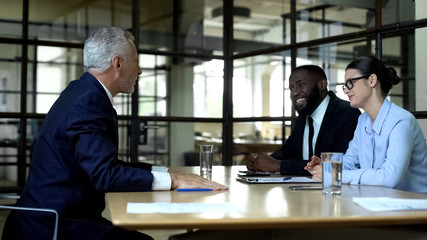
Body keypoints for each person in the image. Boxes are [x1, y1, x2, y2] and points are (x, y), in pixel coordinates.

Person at [2, 27, 227, 240]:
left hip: (49, 217)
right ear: (117, 63)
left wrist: (168, 172)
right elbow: (104, 174)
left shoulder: (81, 91)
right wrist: (174, 179)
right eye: (136, 61)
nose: (139, 70)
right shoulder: (89, 101)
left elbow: (105, 164)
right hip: (53, 225)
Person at [306, 56, 427, 193]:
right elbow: (350, 162)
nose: (346, 90)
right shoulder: (363, 120)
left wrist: (335, 175)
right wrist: (328, 167)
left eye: (350, 82)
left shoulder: (401, 121)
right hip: (378, 199)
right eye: (345, 85)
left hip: (413, 204)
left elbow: (389, 177)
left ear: (372, 80)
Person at [246, 65, 361, 175]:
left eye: (301, 85)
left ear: (322, 84)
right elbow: (288, 152)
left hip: (334, 192)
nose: (294, 93)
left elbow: (338, 164)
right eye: (291, 89)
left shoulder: (346, 113)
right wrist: (263, 161)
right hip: (301, 192)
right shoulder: (304, 116)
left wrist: (278, 165)